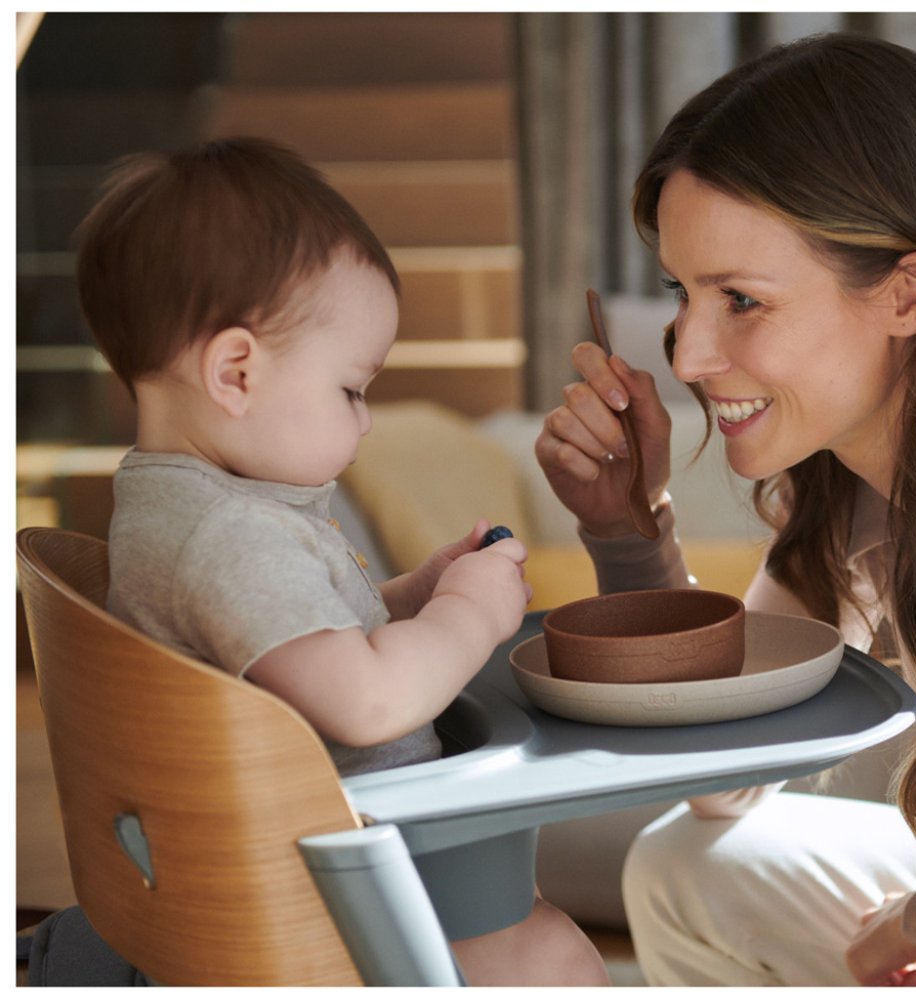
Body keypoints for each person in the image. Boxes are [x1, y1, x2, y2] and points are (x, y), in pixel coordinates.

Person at [74, 136, 609, 987]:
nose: (364, 423)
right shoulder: (230, 536)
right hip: (333, 880)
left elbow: (296, 652)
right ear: (236, 373)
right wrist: (466, 615)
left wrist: (408, 600)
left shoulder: (191, 505)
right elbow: (362, 701)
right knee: (548, 956)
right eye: (352, 390)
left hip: (336, 850)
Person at [534, 32, 916, 987]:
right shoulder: (855, 500)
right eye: (684, 293)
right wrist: (632, 531)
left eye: (740, 298)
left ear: (908, 293)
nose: (688, 356)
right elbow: (724, 790)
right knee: (687, 866)